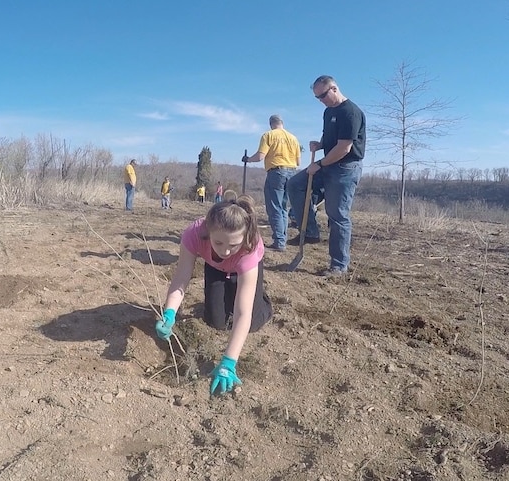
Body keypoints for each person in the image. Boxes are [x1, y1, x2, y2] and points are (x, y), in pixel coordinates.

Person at [154, 196, 273, 395]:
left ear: (243, 239)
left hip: (244, 269)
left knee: (251, 322)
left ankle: (262, 301)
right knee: (216, 321)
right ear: (208, 231)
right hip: (215, 266)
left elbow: (243, 312)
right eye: (218, 242)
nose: (226, 250)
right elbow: (181, 278)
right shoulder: (194, 234)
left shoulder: (249, 247)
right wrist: (169, 314)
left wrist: (228, 362)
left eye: (233, 244)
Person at [286, 75, 365, 277]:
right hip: (328, 163)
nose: (321, 100)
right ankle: (310, 232)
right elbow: (330, 138)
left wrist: (319, 163)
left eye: (323, 95)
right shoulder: (328, 111)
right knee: (295, 184)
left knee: (337, 214)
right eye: (317, 97)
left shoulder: (351, 112)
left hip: (345, 168)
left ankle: (339, 265)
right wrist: (320, 145)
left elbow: (344, 148)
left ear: (334, 88)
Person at [243, 114, 301, 252]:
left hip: (276, 172)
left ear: (271, 124)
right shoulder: (293, 138)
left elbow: (260, 156)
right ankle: (282, 239)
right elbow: (298, 162)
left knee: (274, 207)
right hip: (292, 173)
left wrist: (247, 159)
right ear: (282, 123)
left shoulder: (268, 135)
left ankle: (279, 242)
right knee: (283, 207)